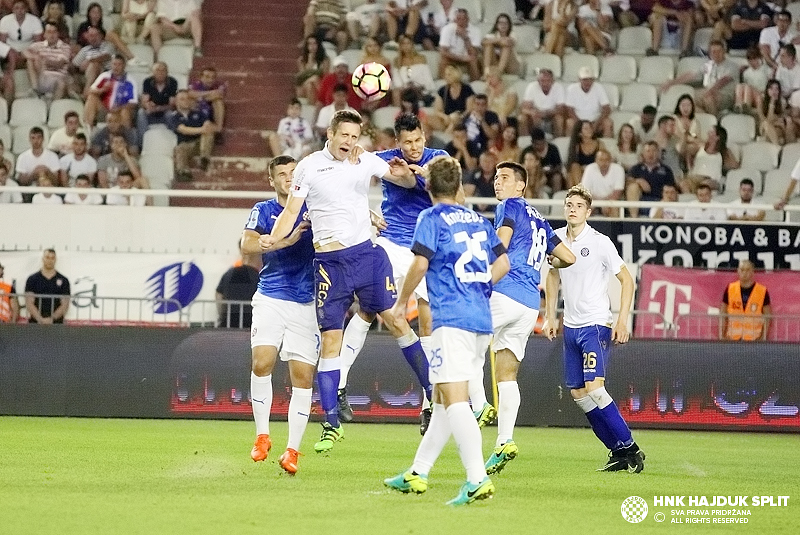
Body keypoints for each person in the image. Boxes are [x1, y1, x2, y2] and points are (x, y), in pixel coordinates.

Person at [262, 110, 433, 454]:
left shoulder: (365, 160)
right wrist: (275, 238)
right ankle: (331, 423)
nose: (350, 143)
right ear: (331, 133)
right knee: (329, 343)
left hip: (367, 257)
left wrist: (407, 173)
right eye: (345, 136)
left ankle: (434, 396)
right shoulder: (309, 166)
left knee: (398, 321)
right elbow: (292, 211)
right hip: (329, 264)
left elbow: (405, 182)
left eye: (355, 137)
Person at [383, 154, 510, 506]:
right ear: (458, 186)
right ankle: (418, 472)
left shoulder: (430, 217)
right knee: (441, 399)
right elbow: (504, 262)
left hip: (450, 320)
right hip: (480, 318)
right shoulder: (478, 220)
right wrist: (483, 285)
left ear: (427, 186)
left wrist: (400, 303)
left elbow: (420, 263)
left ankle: (476, 479)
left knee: (455, 400)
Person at [335, 113, 447, 432]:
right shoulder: (382, 160)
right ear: (397, 142)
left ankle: (428, 408)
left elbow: (458, 196)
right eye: (407, 142)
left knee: (427, 323)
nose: (413, 147)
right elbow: (342, 179)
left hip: (429, 248)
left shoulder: (439, 159)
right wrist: (365, 210)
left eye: (418, 140)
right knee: (367, 307)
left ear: (425, 136)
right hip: (391, 243)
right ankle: (339, 386)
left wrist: (423, 176)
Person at [479, 160, 575, 475]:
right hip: (528, 303)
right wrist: (550, 260)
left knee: (461, 344)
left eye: (505, 177)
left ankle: (480, 406)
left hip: (504, 292)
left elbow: (501, 246)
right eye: (496, 177)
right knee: (506, 374)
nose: (498, 182)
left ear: (521, 185)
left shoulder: (510, 206)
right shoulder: (540, 220)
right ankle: (504, 441)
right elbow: (568, 258)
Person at [544, 184, 645, 473]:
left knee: (595, 388)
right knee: (578, 393)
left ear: (588, 212)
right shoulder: (557, 240)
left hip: (596, 325)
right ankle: (617, 451)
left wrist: (622, 319)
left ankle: (632, 447)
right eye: (569, 204)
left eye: (578, 205)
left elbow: (627, 280)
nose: (572, 208)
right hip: (571, 326)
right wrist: (551, 315)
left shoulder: (600, 242)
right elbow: (551, 276)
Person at [719, 259, 771, 341]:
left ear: (752, 272)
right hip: (732, 339)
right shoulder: (730, 288)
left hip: (753, 339)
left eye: (747, 270)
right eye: (742, 270)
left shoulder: (762, 291)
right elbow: (722, 313)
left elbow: (768, 316)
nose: (744, 273)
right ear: (738, 271)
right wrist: (722, 335)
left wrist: (762, 337)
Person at [169, 89, 214, 179]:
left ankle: (204, 158)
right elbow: (183, 129)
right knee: (180, 148)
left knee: (208, 134)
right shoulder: (174, 116)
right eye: (182, 99)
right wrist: (202, 130)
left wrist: (206, 127)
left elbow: (207, 124)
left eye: (188, 98)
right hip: (186, 144)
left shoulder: (199, 113)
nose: (186, 101)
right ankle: (183, 172)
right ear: (176, 102)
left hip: (200, 142)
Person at [84, 54, 138, 129]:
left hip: (120, 111)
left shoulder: (130, 81)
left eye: (119, 64)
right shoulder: (104, 76)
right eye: (114, 64)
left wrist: (119, 108)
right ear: (111, 65)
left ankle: (125, 137)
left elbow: (133, 103)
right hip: (104, 110)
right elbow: (90, 91)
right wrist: (102, 90)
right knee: (91, 98)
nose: (116, 67)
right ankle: (87, 129)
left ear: (124, 66)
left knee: (125, 112)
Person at [625, 140, 677, 217]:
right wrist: (638, 181)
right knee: (633, 187)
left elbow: (672, 188)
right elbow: (627, 182)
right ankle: (634, 221)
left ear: (658, 153)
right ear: (643, 153)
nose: (650, 154)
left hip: (660, 202)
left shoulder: (666, 170)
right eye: (648, 151)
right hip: (640, 202)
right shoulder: (636, 168)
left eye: (653, 151)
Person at [215, 244, 260, 329]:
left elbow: (218, 294)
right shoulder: (258, 277)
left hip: (228, 324)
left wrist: (222, 315)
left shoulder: (230, 273)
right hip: (250, 324)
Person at [23, 21, 71, 99]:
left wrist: (43, 60)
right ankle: (35, 90)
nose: (51, 35)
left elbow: (59, 64)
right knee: (29, 61)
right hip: (42, 77)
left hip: (57, 78)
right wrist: (34, 57)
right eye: (49, 32)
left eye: (54, 32)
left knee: (62, 83)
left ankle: (53, 108)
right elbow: (24, 52)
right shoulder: (38, 45)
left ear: (58, 34)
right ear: (44, 34)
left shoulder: (65, 47)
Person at [24, 248, 70, 324]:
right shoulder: (32, 279)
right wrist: (40, 319)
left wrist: (52, 319)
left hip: (57, 324)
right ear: (43, 259)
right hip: (35, 323)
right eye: (47, 257)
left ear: (55, 260)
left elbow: (65, 304)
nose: (50, 260)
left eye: (52, 258)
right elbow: (29, 302)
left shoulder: (64, 280)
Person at [137, 61, 178, 146]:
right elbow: (144, 101)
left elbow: (172, 105)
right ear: (153, 72)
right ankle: (142, 144)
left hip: (165, 113)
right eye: (157, 70)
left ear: (167, 72)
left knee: (171, 114)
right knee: (141, 112)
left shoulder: (172, 82)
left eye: (163, 70)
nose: (160, 73)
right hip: (151, 113)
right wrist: (147, 106)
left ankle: (175, 142)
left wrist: (158, 108)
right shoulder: (147, 82)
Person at [564, 66, 613, 138]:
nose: (587, 82)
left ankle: (607, 147)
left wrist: (596, 124)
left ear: (593, 80)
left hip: (595, 121)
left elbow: (607, 109)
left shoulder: (599, 88)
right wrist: (581, 125)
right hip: (578, 120)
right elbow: (569, 110)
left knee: (607, 123)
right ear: (579, 79)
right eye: (585, 79)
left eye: (590, 79)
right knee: (569, 123)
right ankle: (570, 147)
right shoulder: (572, 89)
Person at [519, 68, 566, 137]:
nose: (545, 83)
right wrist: (532, 112)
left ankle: (558, 142)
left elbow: (561, 109)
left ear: (553, 81)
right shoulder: (532, 86)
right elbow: (524, 108)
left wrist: (546, 113)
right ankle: (529, 141)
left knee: (559, 119)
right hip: (536, 113)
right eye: (542, 81)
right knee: (522, 118)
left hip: (552, 113)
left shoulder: (558, 87)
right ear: (538, 81)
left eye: (548, 81)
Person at [437, 7, 482, 81]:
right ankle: (442, 82)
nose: (460, 21)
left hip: (468, 57)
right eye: (458, 19)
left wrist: (465, 38)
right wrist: (461, 58)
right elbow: (443, 51)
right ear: (454, 20)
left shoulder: (476, 31)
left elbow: (474, 53)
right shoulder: (447, 29)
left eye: (463, 19)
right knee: (443, 58)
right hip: (452, 57)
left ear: (468, 19)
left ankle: (476, 83)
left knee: (473, 60)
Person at [580, 148, 625, 217]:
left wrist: (606, 203)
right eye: (601, 160)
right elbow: (585, 191)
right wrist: (598, 203)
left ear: (611, 160)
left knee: (614, 208)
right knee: (582, 208)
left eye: (606, 160)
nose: (604, 163)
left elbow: (617, 192)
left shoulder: (618, 169)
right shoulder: (589, 168)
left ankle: (615, 228)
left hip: (611, 201)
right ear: (596, 160)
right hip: (592, 200)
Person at [188, 66, 226, 133]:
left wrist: (200, 96)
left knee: (218, 101)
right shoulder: (196, 84)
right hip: (199, 109)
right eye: (207, 77)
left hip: (212, 111)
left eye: (213, 77)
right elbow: (191, 94)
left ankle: (218, 127)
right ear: (201, 77)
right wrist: (210, 93)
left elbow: (218, 95)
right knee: (191, 101)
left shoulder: (219, 84)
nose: (210, 80)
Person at [481, 12, 520, 77]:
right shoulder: (492, 34)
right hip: (495, 64)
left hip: (511, 65)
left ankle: (498, 74)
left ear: (509, 25)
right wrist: (499, 40)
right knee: (488, 46)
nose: (503, 25)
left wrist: (494, 41)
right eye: (500, 23)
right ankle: (486, 72)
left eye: (506, 23)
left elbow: (507, 42)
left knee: (506, 47)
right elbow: (483, 42)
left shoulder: (512, 34)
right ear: (496, 25)